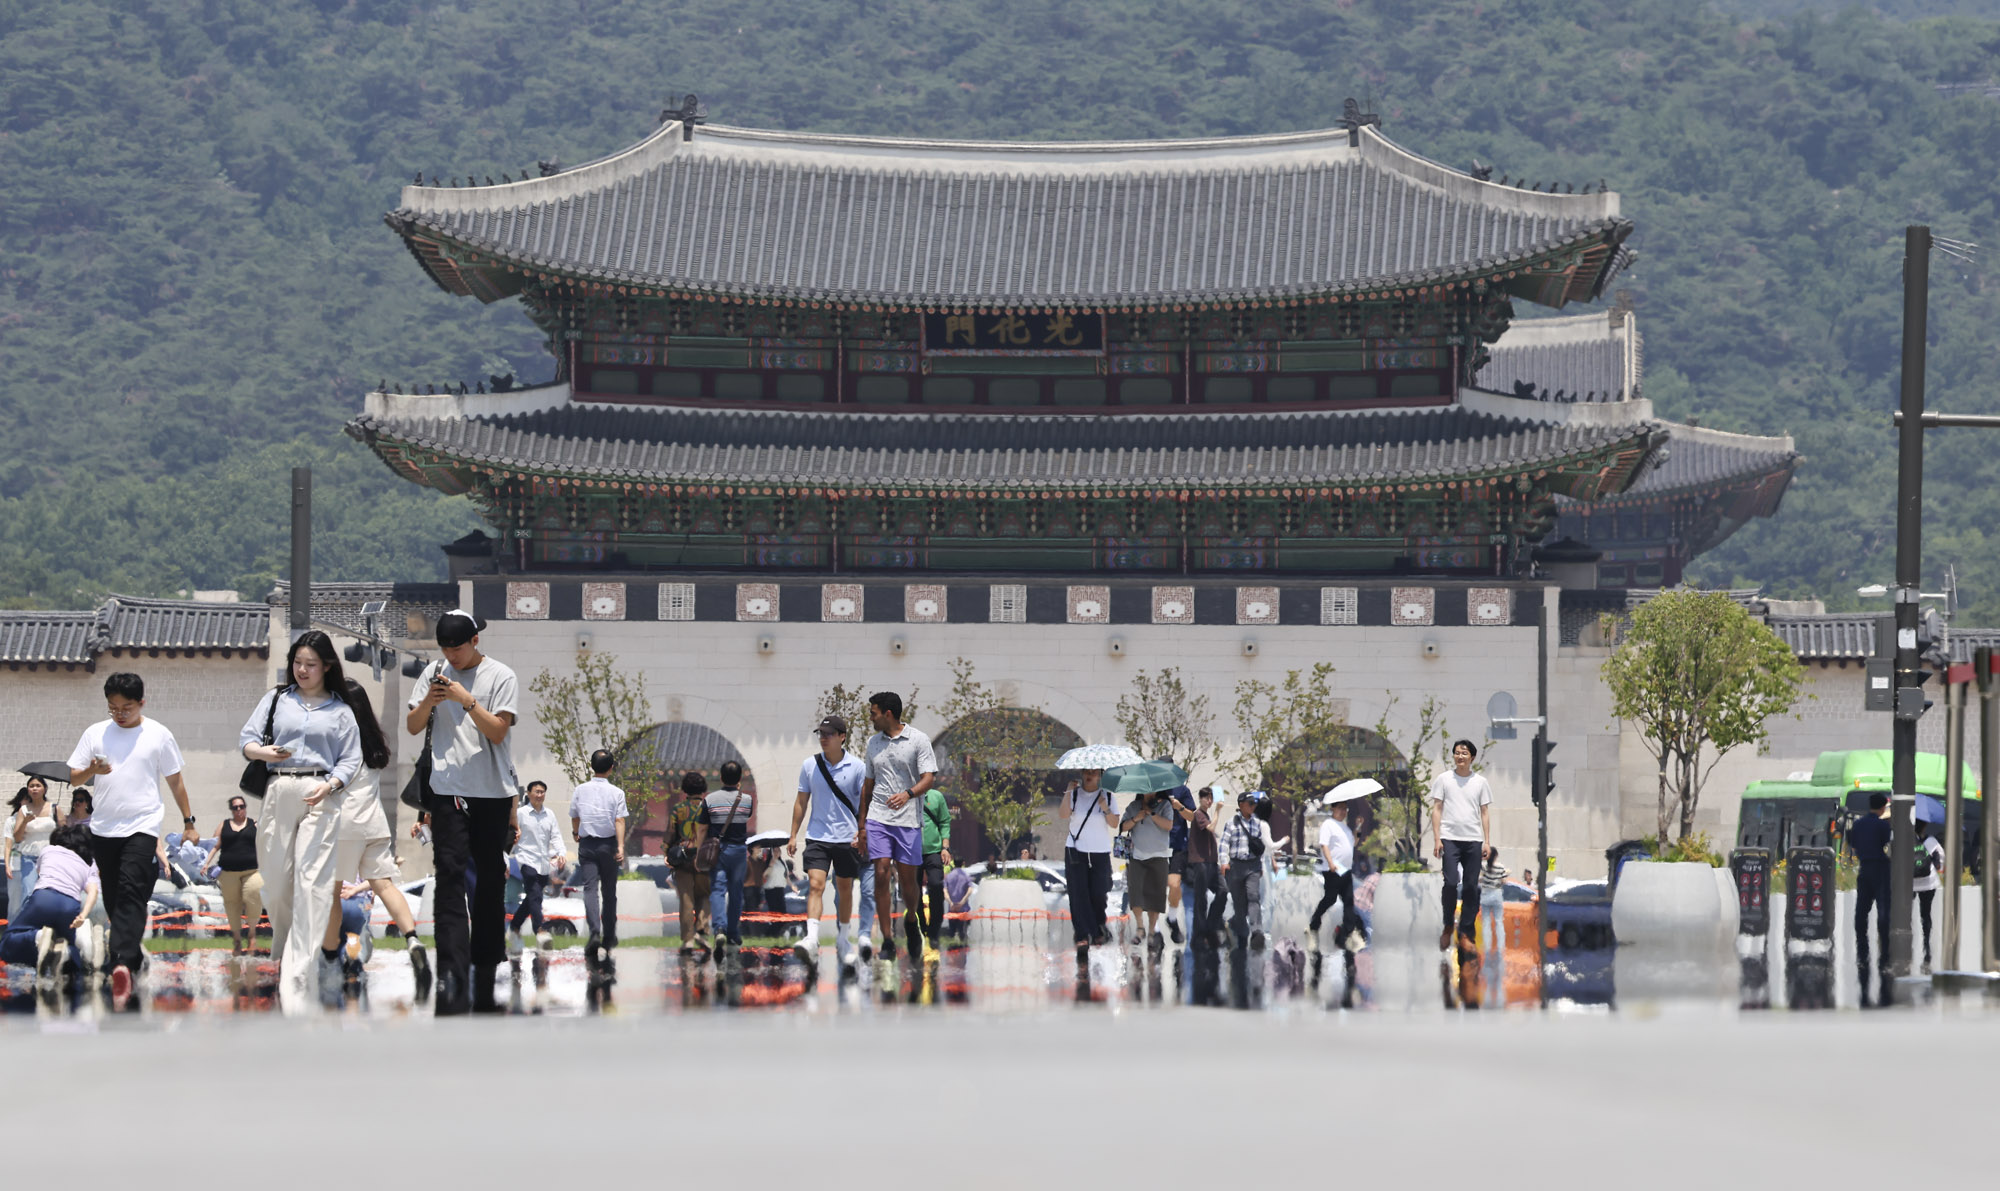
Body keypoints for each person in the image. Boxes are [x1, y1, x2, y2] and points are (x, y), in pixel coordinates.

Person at [406, 609, 521, 1015]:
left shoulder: (501, 676)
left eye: (457, 648)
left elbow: (498, 731)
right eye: (445, 649)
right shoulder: (433, 671)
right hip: (447, 788)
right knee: (449, 874)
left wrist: (465, 699)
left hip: (491, 791)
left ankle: (486, 959)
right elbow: (413, 726)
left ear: (475, 641)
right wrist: (431, 700)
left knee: (489, 878)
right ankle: (452, 965)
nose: (451, 656)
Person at [241, 631, 364, 1011]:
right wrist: (265, 752)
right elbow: (246, 740)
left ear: (327, 666)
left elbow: (351, 759)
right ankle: (283, 947)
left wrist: (331, 786)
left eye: (311, 664)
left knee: (313, 884)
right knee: (276, 883)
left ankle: (298, 969)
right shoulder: (277, 699)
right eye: (298, 663)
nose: (303, 670)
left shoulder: (341, 711)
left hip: (320, 794)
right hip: (279, 789)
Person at [68, 671, 196, 1007]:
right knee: (114, 899)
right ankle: (133, 959)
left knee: (130, 889)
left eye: (127, 707)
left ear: (142, 702)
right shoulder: (95, 733)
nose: (120, 713)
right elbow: (73, 776)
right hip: (104, 829)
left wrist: (188, 821)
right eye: (113, 708)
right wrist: (91, 772)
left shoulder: (158, 734)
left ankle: (121, 961)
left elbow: (176, 781)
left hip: (142, 826)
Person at [318, 680, 427, 992]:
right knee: (385, 886)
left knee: (334, 892)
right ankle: (413, 940)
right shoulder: (376, 742)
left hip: (344, 824)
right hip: (374, 822)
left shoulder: (335, 742)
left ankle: (328, 957)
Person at [858, 692, 938, 965]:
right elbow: (868, 785)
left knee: (908, 883)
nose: (871, 717)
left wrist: (908, 794)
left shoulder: (918, 740)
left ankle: (912, 918)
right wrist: (862, 826)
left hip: (907, 820)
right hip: (878, 817)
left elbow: (929, 778)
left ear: (888, 714)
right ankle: (888, 939)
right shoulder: (873, 744)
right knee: (880, 872)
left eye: (873, 712)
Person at [787, 716, 865, 980]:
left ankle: (844, 939)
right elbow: (801, 802)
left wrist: (862, 832)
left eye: (829, 733)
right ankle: (811, 938)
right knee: (816, 885)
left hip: (846, 839)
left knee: (844, 889)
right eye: (820, 733)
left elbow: (864, 804)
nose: (823, 738)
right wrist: (793, 835)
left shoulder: (857, 767)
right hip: (817, 837)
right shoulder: (810, 765)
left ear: (842, 736)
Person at [0, 822, 100, 985]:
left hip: (44, 898)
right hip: (70, 904)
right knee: (69, 949)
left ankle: (38, 937)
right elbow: (93, 891)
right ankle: (72, 948)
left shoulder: (48, 850)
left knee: (9, 939)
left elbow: (40, 872)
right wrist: (83, 915)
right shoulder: (88, 863)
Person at [1430, 740, 1493, 953]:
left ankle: (1466, 932)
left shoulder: (1480, 782)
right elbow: (1437, 809)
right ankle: (1448, 925)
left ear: (1472, 757)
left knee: (1471, 887)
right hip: (1449, 838)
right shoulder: (1444, 779)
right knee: (1449, 883)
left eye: (1464, 753)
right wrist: (1437, 839)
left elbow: (1484, 812)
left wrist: (1487, 841)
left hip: (1473, 840)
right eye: (1457, 753)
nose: (1460, 756)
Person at [569, 749, 628, 964]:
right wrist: (620, 847)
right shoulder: (617, 792)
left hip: (587, 845)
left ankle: (594, 931)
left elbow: (575, 816)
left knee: (590, 889)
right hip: (608, 845)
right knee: (609, 892)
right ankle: (609, 936)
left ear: (591, 767)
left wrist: (576, 833)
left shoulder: (580, 789)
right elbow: (619, 821)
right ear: (612, 768)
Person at [1059, 767, 1118, 960]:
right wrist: (1068, 790)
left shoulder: (1107, 796)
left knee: (1099, 892)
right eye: (1086, 771)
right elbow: (1062, 814)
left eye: (1093, 772)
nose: (1089, 775)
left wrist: (1105, 807)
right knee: (1078, 894)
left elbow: (1114, 823)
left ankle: (1099, 925)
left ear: (1100, 774)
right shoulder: (1075, 794)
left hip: (1100, 851)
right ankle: (1083, 934)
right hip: (1076, 849)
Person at [201, 796, 263, 955]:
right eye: (235, 807)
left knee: (252, 895)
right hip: (228, 872)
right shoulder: (224, 825)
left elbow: (265, 844)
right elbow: (214, 846)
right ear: (231, 809)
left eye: (241, 806)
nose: (239, 810)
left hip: (251, 870)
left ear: (245, 807)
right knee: (232, 904)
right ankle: (236, 939)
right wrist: (206, 862)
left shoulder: (254, 824)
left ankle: (252, 934)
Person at [510, 779, 567, 952]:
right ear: (528, 793)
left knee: (533, 898)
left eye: (542, 792)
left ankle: (514, 926)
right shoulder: (520, 813)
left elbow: (556, 836)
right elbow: (511, 834)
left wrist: (561, 853)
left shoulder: (549, 814)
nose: (540, 795)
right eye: (537, 791)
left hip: (543, 863)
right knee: (534, 893)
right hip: (526, 859)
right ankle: (540, 931)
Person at [702, 760, 754, 948]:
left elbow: (702, 826)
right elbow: (746, 816)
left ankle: (719, 929)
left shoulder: (709, 799)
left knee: (717, 889)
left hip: (718, 850)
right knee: (736, 892)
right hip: (739, 851)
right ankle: (733, 933)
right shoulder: (747, 800)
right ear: (739, 778)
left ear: (721, 777)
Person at [1119, 786, 1176, 955]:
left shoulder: (1165, 805)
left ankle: (1151, 931)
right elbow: (1123, 827)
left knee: (1156, 895)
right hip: (1137, 856)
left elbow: (1168, 825)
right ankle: (1140, 928)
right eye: (1146, 791)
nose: (1149, 794)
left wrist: (1151, 813)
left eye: (1152, 791)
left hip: (1159, 855)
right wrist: (1137, 817)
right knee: (1135, 892)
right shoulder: (1133, 806)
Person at [1848, 792, 1892, 1004]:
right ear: (1883, 807)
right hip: (1881, 870)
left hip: (1864, 870)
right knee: (1883, 912)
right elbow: (1886, 843)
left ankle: (1862, 950)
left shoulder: (1857, 825)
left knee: (1861, 913)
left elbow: (1854, 846)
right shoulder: (1884, 826)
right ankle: (1884, 953)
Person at [1306, 799, 1364, 954]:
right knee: (1330, 898)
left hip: (1346, 870)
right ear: (1333, 809)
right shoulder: (1328, 824)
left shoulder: (1344, 827)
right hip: (1333, 869)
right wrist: (1330, 862)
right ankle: (1313, 926)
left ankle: (1351, 933)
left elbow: (1353, 843)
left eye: (1345, 809)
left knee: (1349, 901)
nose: (1343, 811)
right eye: (1340, 808)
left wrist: (1358, 827)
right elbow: (1324, 844)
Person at [667, 771, 713, 955]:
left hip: (683, 859)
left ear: (684, 789)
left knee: (686, 900)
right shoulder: (708, 808)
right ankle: (701, 928)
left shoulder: (678, 809)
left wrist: (666, 852)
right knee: (704, 895)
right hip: (703, 859)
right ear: (704, 790)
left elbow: (670, 833)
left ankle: (687, 940)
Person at [1220, 790, 1269, 950]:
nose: (1253, 806)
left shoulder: (1257, 823)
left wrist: (1260, 864)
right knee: (1239, 904)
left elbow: (1259, 847)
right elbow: (1224, 844)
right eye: (1250, 804)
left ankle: (1256, 932)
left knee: (1253, 896)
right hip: (1236, 866)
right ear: (1241, 805)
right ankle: (1236, 926)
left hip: (1252, 865)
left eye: (1254, 804)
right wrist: (1224, 862)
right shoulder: (1231, 823)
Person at [1175, 787, 1224, 946]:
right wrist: (1218, 811)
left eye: (1211, 798)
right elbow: (1211, 828)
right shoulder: (1198, 814)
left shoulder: (1206, 814)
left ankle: (1210, 927)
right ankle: (1200, 935)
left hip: (1211, 862)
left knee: (1223, 891)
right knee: (1200, 900)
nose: (1209, 801)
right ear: (1200, 799)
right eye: (1206, 798)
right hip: (1200, 862)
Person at [7, 777, 58, 922]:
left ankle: (48, 926)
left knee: (48, 893)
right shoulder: (23, 810)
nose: (34, 788)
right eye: (31, 786)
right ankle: (27, 927)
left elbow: (63, 834)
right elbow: (16, 837)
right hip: (28, 858)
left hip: (49, 859)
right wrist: (25, 822)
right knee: (28, 894)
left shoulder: (54, 808)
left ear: (45, 789)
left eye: (38, 785)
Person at [919, 785, 952, 954]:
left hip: (933, 851)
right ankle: (920, 927)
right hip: (910, 852)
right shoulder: (905, 795)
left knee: (936, 886)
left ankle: (934, 931)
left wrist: (945, 847)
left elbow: (945, 821)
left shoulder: (936, 796)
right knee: (912, 892)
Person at [1162, 784, 1195, 945]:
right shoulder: (1150, 790)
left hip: (1177, 846)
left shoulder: (1182, 790)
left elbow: (1192, 817)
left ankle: (1172, 918)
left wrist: (1179, 806)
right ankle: (1152, 931)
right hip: (1154, 845)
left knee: (1174, 884)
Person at [1914, 822, 1946, 973]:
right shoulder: (1931, 841)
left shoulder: (1905, 840)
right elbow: (1941, 864)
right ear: (1924, 827)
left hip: (1909, 883)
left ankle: (1906, 944)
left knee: (1905, 914)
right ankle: (1927, 950)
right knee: (1925, 915)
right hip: (1928, 883)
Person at [942, 860, 976, 942]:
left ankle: (951, 951)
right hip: (963, 911)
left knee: (951, 934)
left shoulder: (949, 876)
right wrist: (962, 902)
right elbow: (970, 889)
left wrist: (950, 903)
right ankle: (963, 952)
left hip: (952, 910)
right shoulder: (965, 876)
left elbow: (945, 891)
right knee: (963, 934)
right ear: (963, 864)